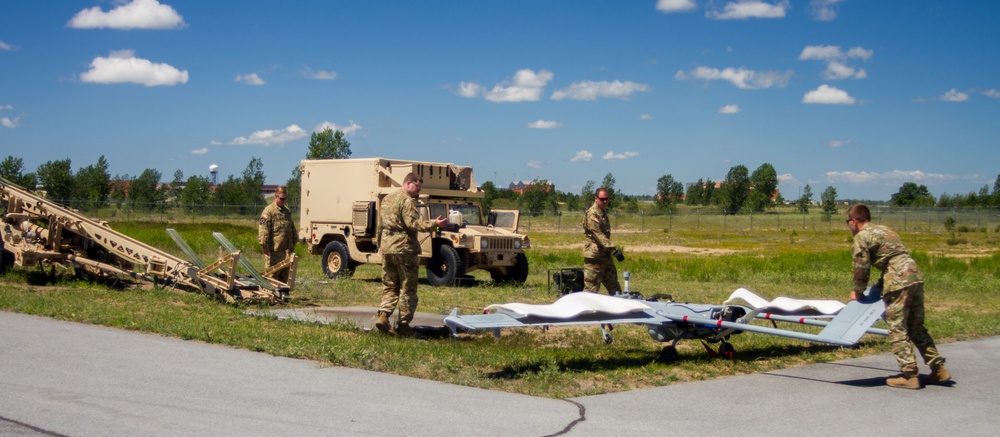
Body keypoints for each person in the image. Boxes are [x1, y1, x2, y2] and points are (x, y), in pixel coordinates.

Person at [846, 203, 950, 389]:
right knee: (915, 326)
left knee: (897, 328)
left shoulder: (862, 236)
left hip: (897, 279)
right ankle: (938, 369)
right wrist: (879, 286)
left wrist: (858, 291)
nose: (849, 227)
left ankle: (910, 376)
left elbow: (861, 267)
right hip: (914, 275)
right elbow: (892, 259)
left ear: (854, 221)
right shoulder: (885, 230)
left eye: (848, 222)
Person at [375, 173, 447, 336]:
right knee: (408, 289)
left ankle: (383, 316)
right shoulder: (407, 201)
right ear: (408, 183)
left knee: (390, 286)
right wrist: (435, 224)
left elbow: (380, 226)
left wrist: (380, 245)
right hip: (404, 250)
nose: (418, 191)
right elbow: (413, 223)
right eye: (417, 187)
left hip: (388, 248)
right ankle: (404, 326)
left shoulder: (387, 199)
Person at [581, 187, 622, 295]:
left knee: (615, 288)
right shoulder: (592, 214)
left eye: (607, 199)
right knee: (590, 290)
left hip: (605, 256)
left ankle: (618, 310)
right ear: (596, 198)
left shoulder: (602, 213)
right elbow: (598, 234)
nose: (605, 201)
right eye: (602, 199)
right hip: (594, 257)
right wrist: (614, 249)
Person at [258, 186, 296, 283]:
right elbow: (263, 229)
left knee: (285, 277)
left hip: (286, 250)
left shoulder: (286, 211)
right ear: (276, 197)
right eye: (281, 198)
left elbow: (291, 226)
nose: (283, 201)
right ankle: (271, 296)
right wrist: (264, 245)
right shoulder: (269, 211)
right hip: (274, 251)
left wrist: (294, 241)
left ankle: (282, 296)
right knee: (272, 276)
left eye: (285, 199)